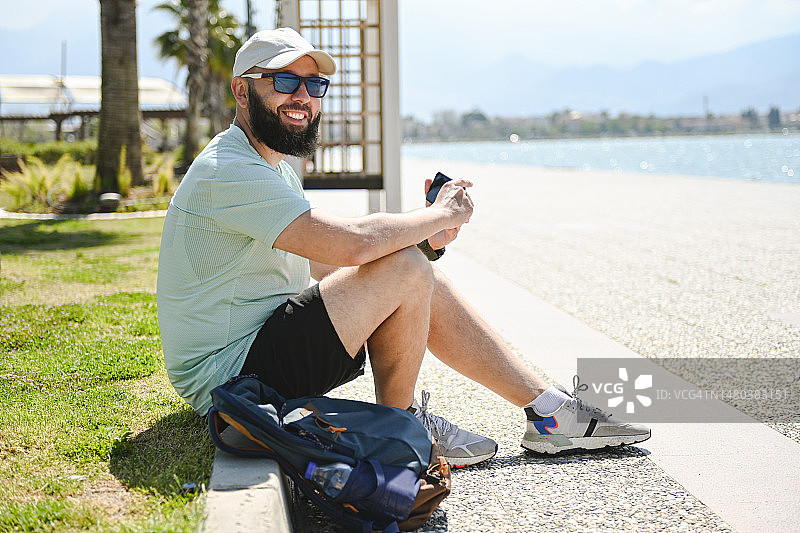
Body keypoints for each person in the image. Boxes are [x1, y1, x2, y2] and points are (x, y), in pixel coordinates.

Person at [156, 28, 650, 466]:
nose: (302, 96)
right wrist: (440, 215)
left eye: (314, 85)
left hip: (260, 351)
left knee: (419, 272)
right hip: (232, 379)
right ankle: (402, 431)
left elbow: (327, 263)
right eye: (284, 82)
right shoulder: (230, 170)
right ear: (242, 91)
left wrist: (427, 245)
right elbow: (350, 246)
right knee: (407, 268)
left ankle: (548, 412)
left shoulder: (273, 166)